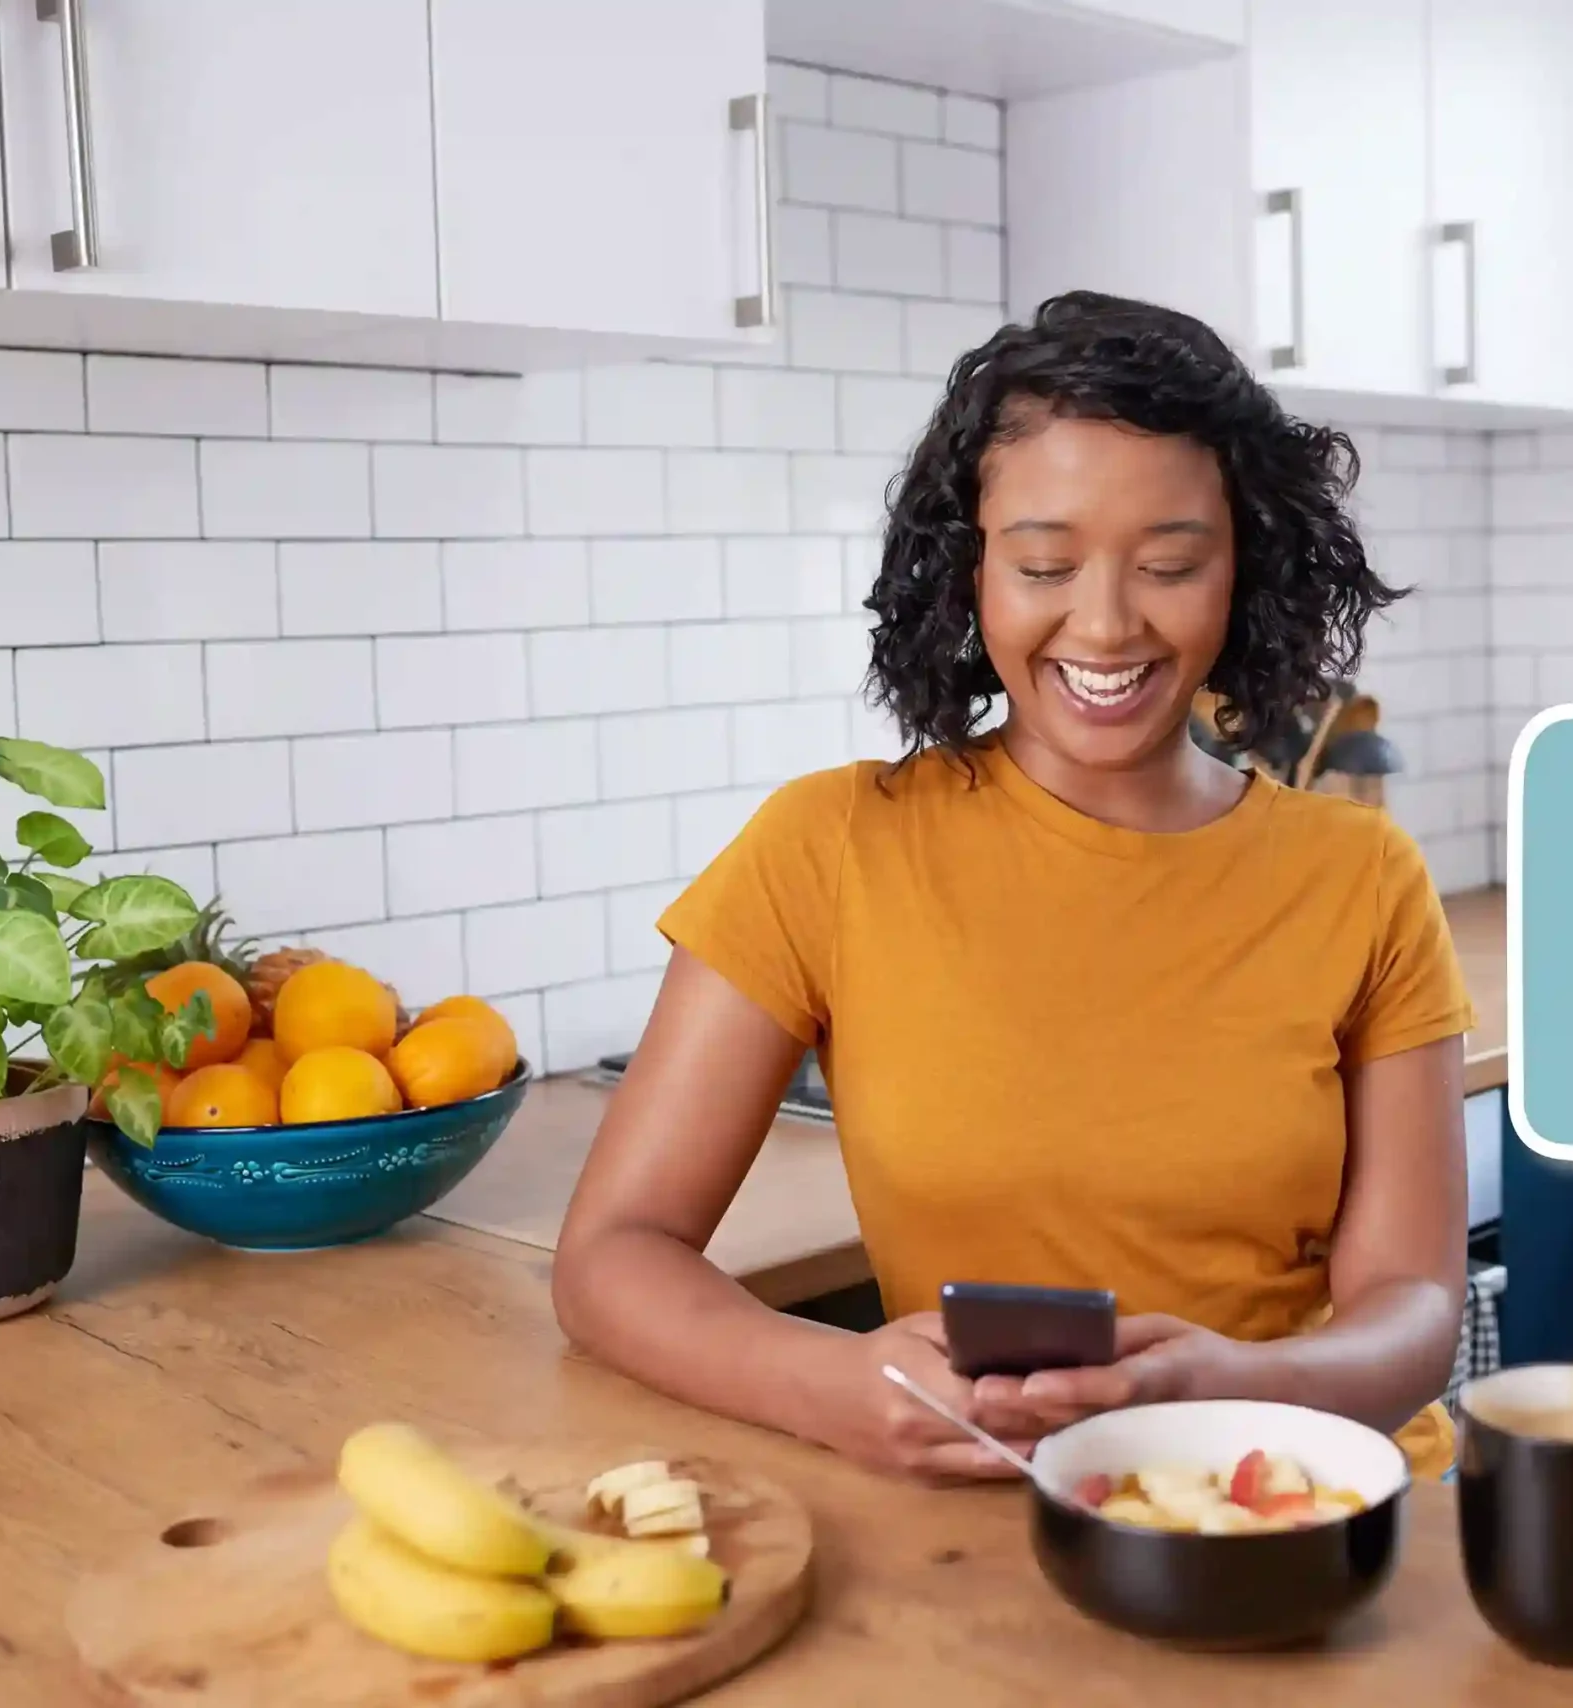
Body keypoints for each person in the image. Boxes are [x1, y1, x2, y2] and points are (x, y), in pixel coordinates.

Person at [553, 291, 1475, 1483]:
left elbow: (1412, 1306)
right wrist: (832, 1384)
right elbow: (612, 1256)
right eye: (1045, 563)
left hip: (1312, 1493)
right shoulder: (828, 847)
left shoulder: (1361, 873)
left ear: (1242, 569)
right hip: (986, 1512)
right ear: (966, 571)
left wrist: (1235, 1386)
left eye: (1169, 564)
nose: (1103, 624)